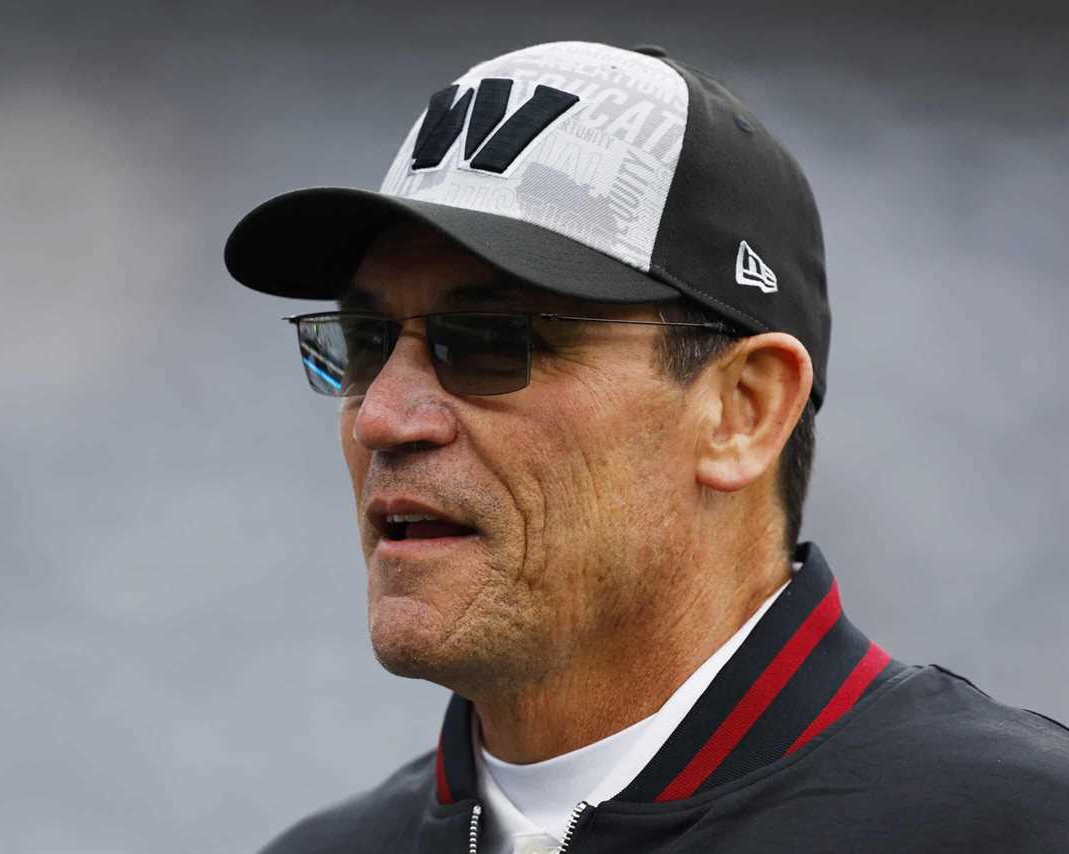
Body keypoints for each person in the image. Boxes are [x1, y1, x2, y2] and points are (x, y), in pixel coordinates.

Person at [223, 40, 1069, 853]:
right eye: (367, 341)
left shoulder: (1018, 825)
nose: (384, 417)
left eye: (488, 339)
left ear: (743, 411)